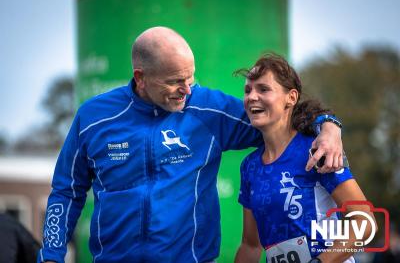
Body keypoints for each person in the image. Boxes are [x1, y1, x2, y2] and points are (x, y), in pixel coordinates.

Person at [39, 27, 344, 263]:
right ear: (141, 78)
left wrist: (329, 126)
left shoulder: (208, 109)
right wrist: (51, 255)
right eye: (175, 81)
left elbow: (282, 117)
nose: (186, 89)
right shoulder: (94, 117)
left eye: (190, 77)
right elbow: (66, 191)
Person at [234, 54, 375, 263]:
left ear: (291, 97)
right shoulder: (249, 166)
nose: (251, 97)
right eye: (248, 90)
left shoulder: (318, 148)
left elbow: (365, 222)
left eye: (263, 89)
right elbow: (250, 245)